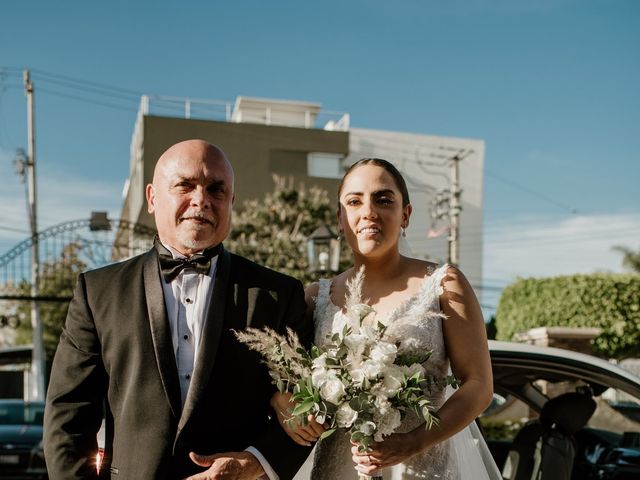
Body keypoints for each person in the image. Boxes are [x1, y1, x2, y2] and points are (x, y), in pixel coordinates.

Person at [44, 140, 313, 480]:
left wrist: (256, 462)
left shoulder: (279, 294)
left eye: (217, 189)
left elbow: (308, 408)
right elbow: (68, 414)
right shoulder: (97, 292)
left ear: (231, 201)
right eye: (185, 185)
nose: (201, 200)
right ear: (153, 198)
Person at [272, 158, 501, 479]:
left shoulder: (444, 283)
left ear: (405, 214)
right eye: (354, 201)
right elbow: (284, 380)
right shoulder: (314, 297)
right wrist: (282, 400)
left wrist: (414, 441)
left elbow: (479, 385)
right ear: (340, 218)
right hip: (339, 468)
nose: (368, 211)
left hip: (419, 468)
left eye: (383, 200)